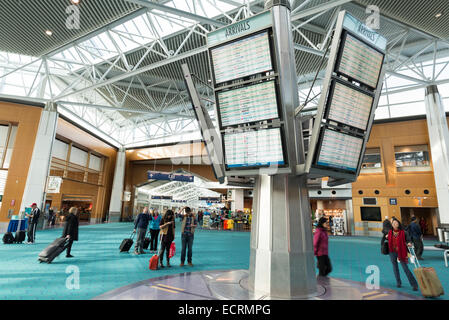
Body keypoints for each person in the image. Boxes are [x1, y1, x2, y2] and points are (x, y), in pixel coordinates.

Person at [386, 219, 418, 290]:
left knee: (405, 268)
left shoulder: (404, 232)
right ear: (391, 225)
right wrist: (386, 237)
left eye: (396, 223)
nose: (394, 224)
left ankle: (414, 285)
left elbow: (408, 240)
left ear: (398, 224)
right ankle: (398, 282)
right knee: (395, 268)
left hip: (402, 252)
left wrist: (409, 243)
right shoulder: (390, 232)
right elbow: (386, 239)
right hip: (392, 252)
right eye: (393, 223)